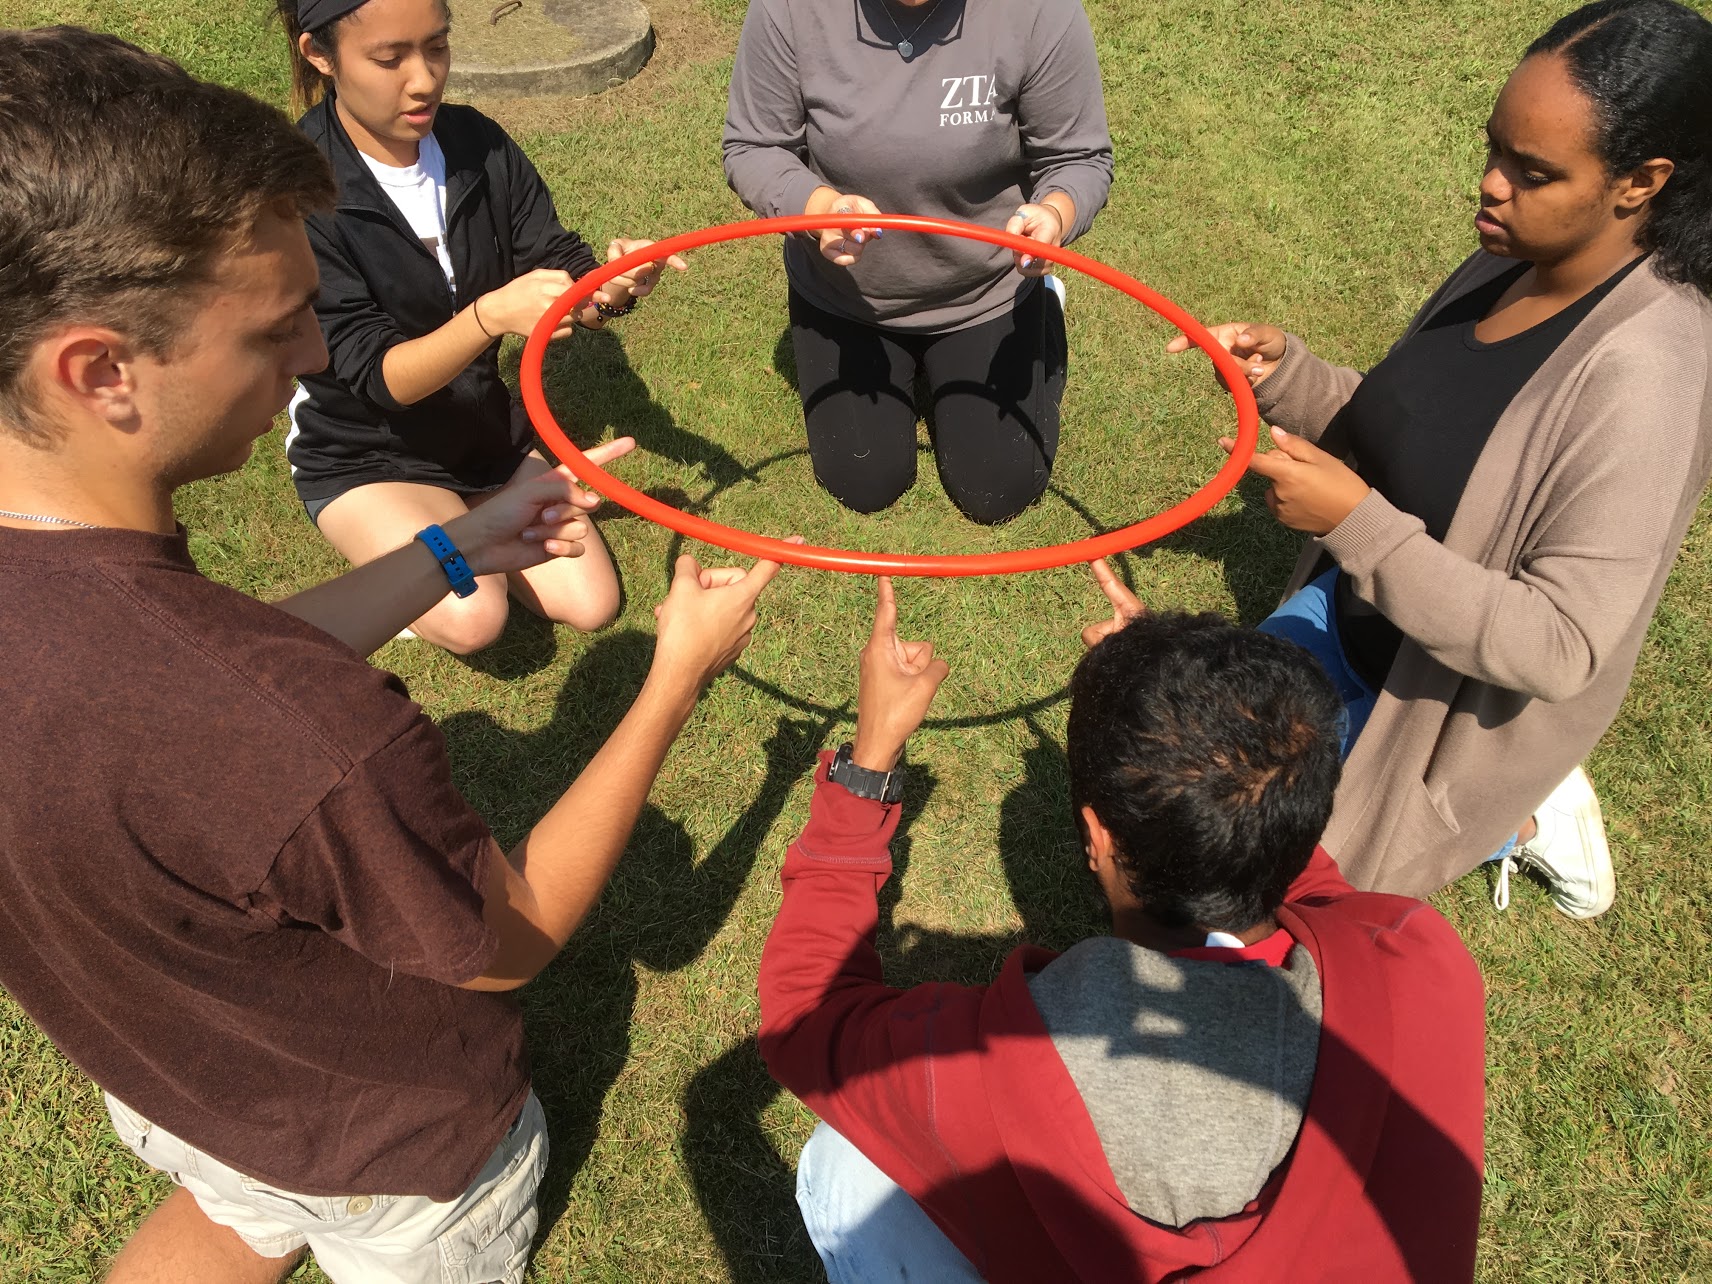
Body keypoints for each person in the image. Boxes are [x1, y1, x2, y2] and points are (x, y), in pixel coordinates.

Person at [0, 27, 783, 1283]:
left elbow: (202, 674)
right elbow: (509, 941)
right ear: (101, 373)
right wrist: (672, 676)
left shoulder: (129, 639)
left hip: (169, 1081)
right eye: (273, 332)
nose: (313, 359)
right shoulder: (310, 735)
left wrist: (455, 547)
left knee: (228, 1203)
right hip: (386, 1155)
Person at [756, 570, 1486, 1283]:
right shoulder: (1422, 960)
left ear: (1097, 839)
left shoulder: (996, 1077)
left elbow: (806, 1017)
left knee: (843, 1169)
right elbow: (1295, 867)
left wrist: (868, 761)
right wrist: (1190, 712)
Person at [1169, 0, 1712, 916]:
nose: (1491, 187)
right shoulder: (1516, 255)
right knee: (1178, 785)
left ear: (1639, 183)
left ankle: (1522, 812)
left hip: (1432, 711)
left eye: (1531, 171)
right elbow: (1419, 428)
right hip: (1348, 611)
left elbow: (1562, 645)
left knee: (1228, 893)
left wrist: (1356, 525)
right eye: (1494, 149)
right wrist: (1291, 377)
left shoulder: (1649, 378)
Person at [277, 0, 688, 655]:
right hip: (367, 452)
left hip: (484, 438)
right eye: (390, 58)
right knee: (475, 619)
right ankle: (396, 547)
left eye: (436, 47)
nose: (424, 79)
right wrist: (487, 317)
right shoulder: (300, 191)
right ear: (319, 55)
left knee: (592, 604)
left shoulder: (477, 142)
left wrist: (606, 290)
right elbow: (380, 379)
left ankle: (446, 525)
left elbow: (556, 262)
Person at [722, 0, 1113, 525]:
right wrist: (819, 208)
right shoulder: (789, 9)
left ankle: (1044, 309)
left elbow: (1078, 158)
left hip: (983, 287)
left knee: (997, 488)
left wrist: (1054, 215)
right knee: (865, 481)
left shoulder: (1039, 11)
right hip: (847, 292)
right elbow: (753, 146)